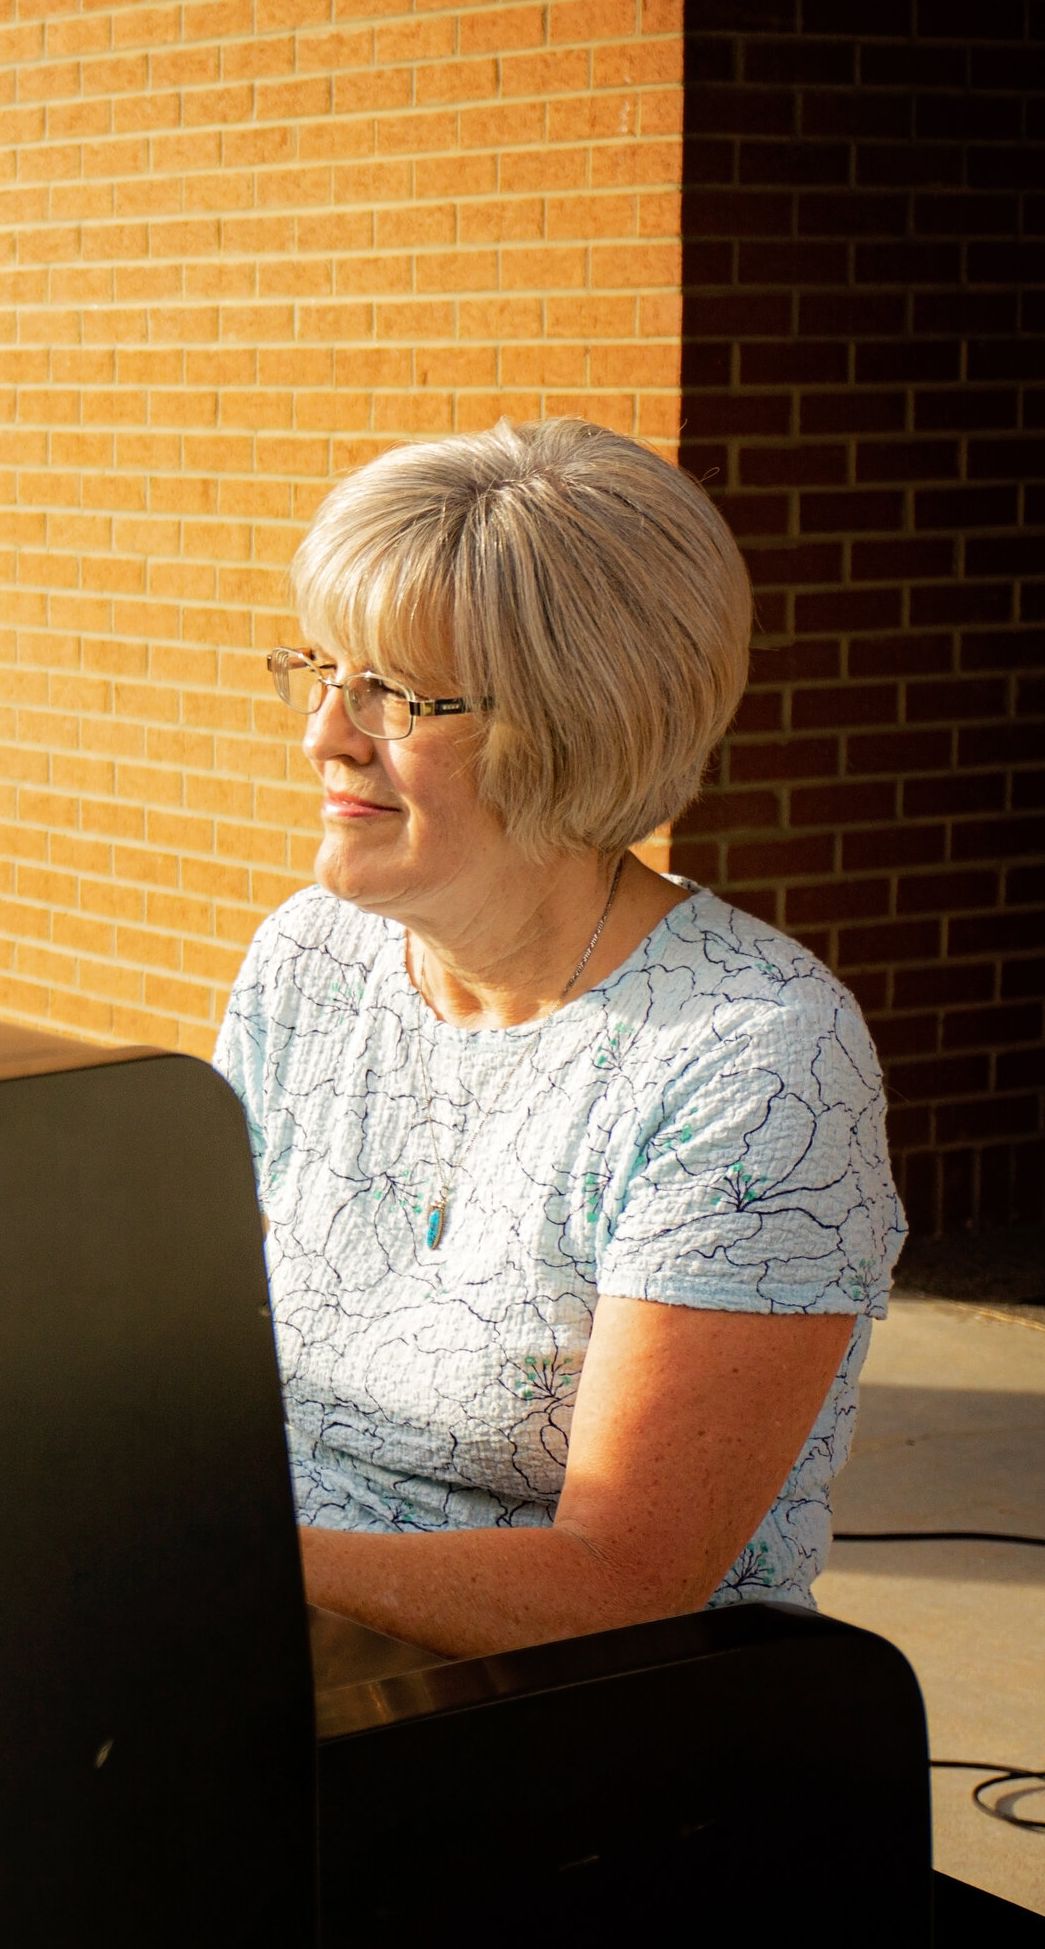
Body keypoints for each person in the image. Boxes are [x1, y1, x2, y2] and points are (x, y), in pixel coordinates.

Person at [213, 418, 903, 1662]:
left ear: (573, 722)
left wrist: (198, 1558)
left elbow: (620, 1582)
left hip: (585, 1721)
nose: (324, 734)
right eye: (319, 670)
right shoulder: (308, 957)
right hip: (279, 1641)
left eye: (393, 695)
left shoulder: (752, 1056)